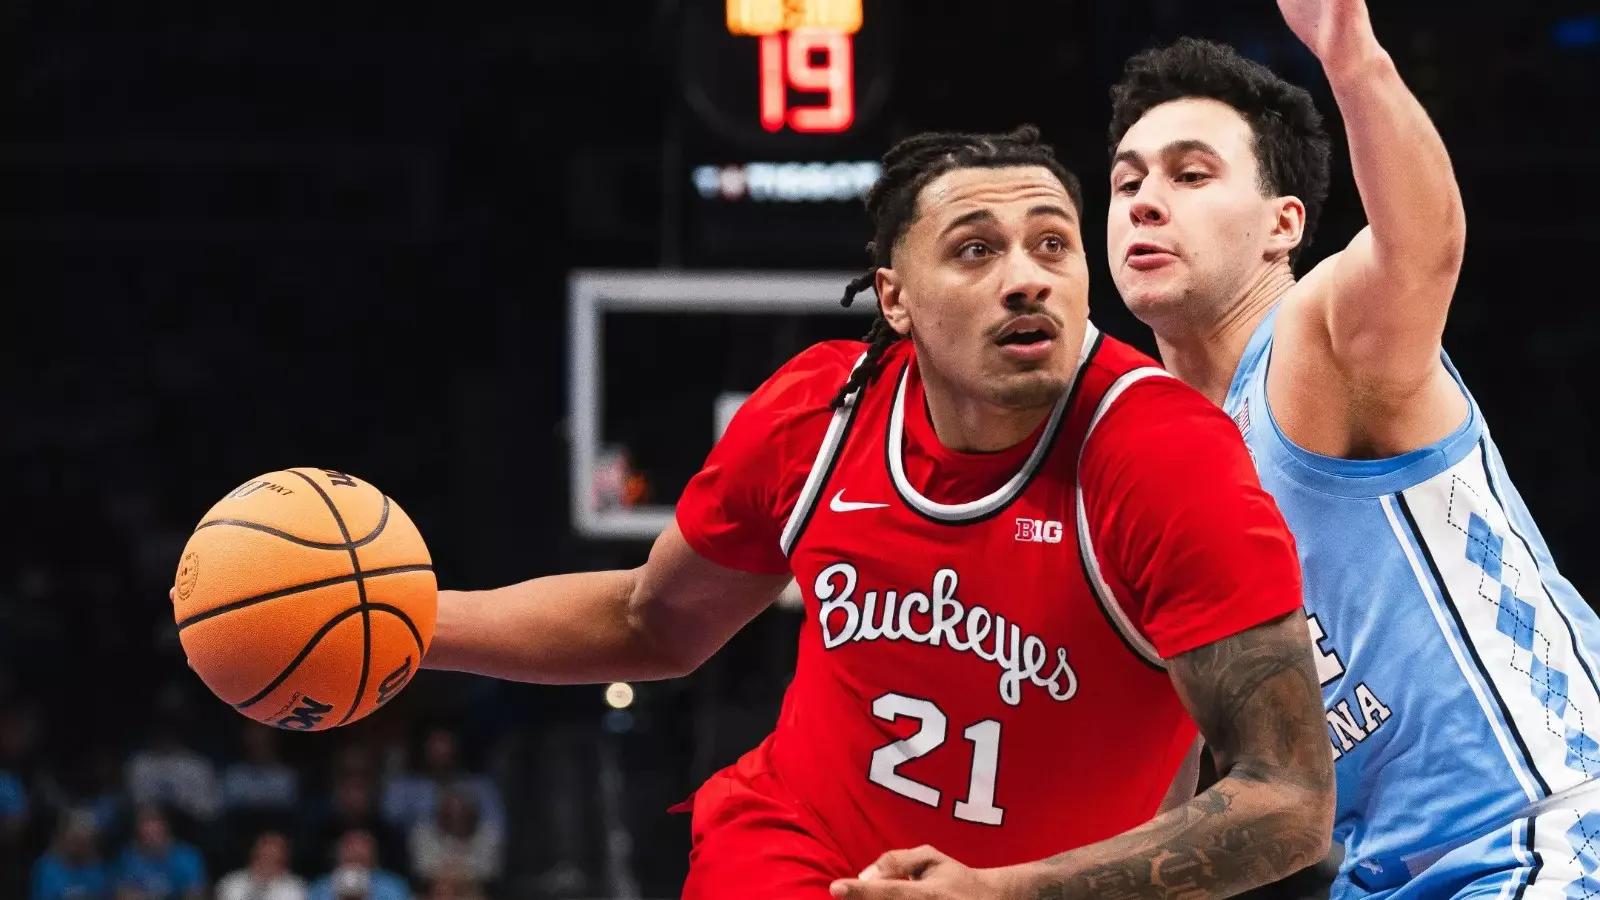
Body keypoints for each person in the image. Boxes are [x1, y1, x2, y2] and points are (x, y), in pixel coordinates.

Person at [423, 126, 1334, 899]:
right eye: (976, 250)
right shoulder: (820, 415)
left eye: (1053, 245)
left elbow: (1290, 800)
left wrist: (1006, 891)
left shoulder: (1166, 458)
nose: (1027, 279)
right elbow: (648, 621)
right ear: (894, 297)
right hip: (796, 850)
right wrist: (408, 625)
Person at [1104, 3, 1600, 898]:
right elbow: (1174, 794)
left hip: (1552, 831)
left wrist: (1350, 53)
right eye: (1126, 180)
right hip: (1383, 879)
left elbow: (1423, 250)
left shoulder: (1315, 340)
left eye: (1191, 174)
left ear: (1283, 224)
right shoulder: (1154, 465)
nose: (1143, 199)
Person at [215, 832, 305, 900]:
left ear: (283, 862)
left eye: (273, 859)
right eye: (262, 857)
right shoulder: (231, 884)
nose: (266, 864)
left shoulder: (294, 890)